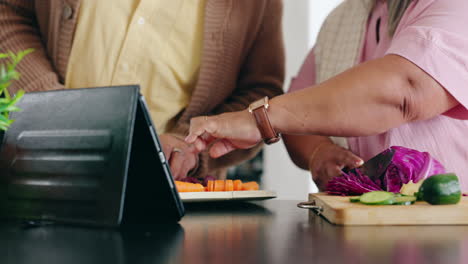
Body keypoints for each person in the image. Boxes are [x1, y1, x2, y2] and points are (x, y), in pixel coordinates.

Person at [185, 0, 468, 192]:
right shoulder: (347, 17)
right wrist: (318, 152)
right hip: (371, 234)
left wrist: (259, 119)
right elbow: (299, 115)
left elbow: (408, 88)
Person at [0, 0, 284, 179]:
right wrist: (51, 107)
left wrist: (190, 150)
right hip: (41, 174)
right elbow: (8, 13)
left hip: (181, 200)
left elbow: (259, 90)